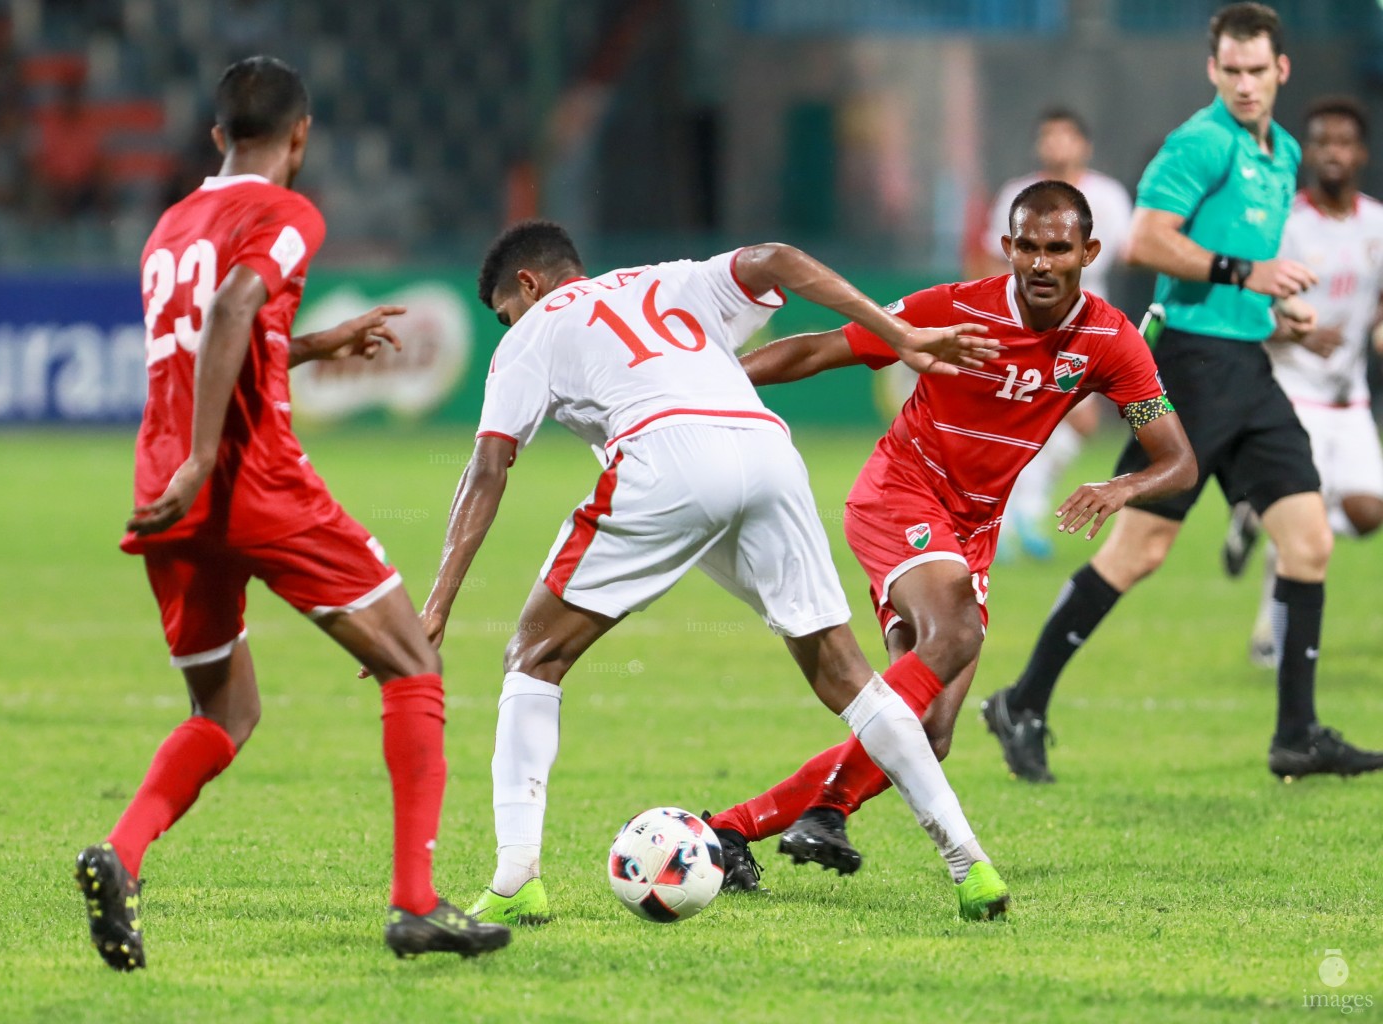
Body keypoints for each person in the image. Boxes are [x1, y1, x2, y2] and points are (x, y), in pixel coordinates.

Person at [423, 220, 1012, 926]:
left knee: (534, 656)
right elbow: (781, 257)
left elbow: (488, 467)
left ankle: (517, 876)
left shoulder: (534, 329)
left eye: (503, 316)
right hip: (766, 452)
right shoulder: (667, 277)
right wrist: (897, 330)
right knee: (845, 674)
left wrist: (437, 605)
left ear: (528, 284)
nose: (506, 329)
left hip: (664, 458)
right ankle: (969, 863)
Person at [72, 56, 509, 970]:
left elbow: (219, 335)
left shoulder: (168, 226)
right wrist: (208, 457)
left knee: (223, 709)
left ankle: (123, 852)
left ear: (216, 135)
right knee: (411, 662)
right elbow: (236, 303)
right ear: (300, 137)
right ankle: (416, 904)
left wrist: (311, 345)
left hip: (166, 493)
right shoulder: (287, 213)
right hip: (250, 481)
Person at [702, 181, 1194, 883]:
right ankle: (748, 823)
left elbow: (1177, 459)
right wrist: (710, 388)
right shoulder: (956, 309)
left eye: (1059, 249)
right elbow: (820, 351)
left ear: (1089, 251)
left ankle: (800, 817)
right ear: (1008, 247)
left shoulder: (1109, 342)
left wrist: (1122, 486)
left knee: (929, 734)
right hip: (899, 495)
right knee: (956, 633)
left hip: (973, 529)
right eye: (1028, 246)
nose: (1042, 264)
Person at [981, 3, 1383, 784]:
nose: (1242, 85)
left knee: (1309, 541)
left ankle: (1296, 735)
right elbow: (1147, 240)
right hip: (1194, 369)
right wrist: (1245, 275)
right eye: (1229, 71)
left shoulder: (1283, 151)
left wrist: (1278, 308)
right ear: (1213, 70)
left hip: (1251, 367)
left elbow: (1250, 270)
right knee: (1140, 552)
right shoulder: (1201, 142)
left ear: (1281, 70)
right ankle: (1022, 702)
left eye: (1255, 71)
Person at [1220, 96, 1383, 666]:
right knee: (1306, 522)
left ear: (1360, 152)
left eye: (1344, 141)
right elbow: (1243, 309)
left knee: (1367, 513)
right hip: (1292, 393)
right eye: (1323, 141)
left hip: (1351, 397)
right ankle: (1270, 631)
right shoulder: (1286, 225)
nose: (1333, 151)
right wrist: (1294, 334)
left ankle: (1252, 514)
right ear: (1308, 152)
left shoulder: (1377, 224)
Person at [970, 109, 1137, 561]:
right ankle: (1015, 512)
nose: (1057, 145)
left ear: (1084, 145)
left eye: (1066, 137)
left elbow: (1131, 252)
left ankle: (1015, 511)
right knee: (1060, 418)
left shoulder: (1107, 196)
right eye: (1048, 137)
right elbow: (991, 257)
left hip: (1089, 322)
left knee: (1071, 422)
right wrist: (991, 318)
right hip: (1033, 318)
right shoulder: (1018, 194)